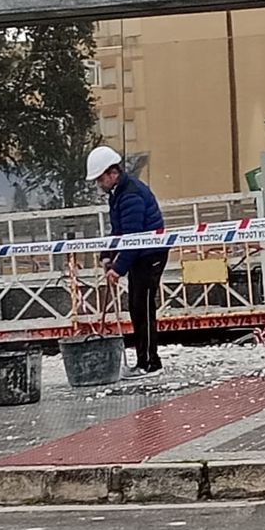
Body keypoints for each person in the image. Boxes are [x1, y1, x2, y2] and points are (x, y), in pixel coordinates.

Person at [86, 145, 170, 377]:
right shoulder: (119, 194)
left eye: (100, 179)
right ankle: (144, 360)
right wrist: (107, 255)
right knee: (136, 306)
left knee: (143, 307)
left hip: (150, 254)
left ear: (112, 173)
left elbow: (133, 236)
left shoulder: (130, 194)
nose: (99, 184)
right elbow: (119, 230)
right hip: (141, 254)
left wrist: (118, 268)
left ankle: (150, 362)